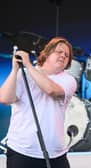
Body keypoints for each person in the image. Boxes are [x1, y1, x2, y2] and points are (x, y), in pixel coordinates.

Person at [0, 36, 77, 168]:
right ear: (46, 53)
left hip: (55, 153)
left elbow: (51, 90)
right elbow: (5, 99)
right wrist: (14, 70)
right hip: (21, 150)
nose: (63, 56)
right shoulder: (22, 74)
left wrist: (29, 65)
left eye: (66, 55)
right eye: (59, 52)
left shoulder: (68, 80)